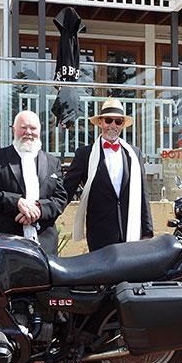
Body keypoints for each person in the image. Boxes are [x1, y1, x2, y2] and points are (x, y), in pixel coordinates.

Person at [63, 98, 153, 251]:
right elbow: (66, 190)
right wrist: (46, 213)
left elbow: (142, 193)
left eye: (118, 122)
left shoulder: (134, 153)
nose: (113, 125)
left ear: (123, 125)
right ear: (100, 123)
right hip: (100, 234)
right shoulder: (85, 154)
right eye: (109, 120)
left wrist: (147, 231)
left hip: (130, 231)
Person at [0, 110, 68, 255]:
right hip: (5, 243)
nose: (28, 132)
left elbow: (60, 199)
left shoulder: (53, 162)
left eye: (33, 128)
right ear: (14, 130)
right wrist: (17, 203)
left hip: (45, 245)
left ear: (39, 130)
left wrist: (38, 209)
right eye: (23, 127)